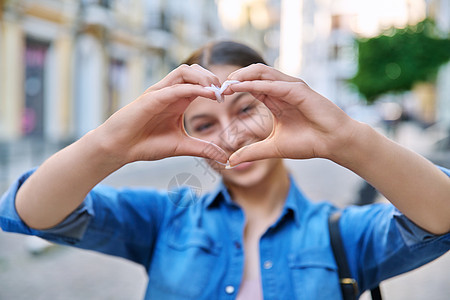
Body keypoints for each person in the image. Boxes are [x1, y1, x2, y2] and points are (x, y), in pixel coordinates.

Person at [1, 41, 449, 300]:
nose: (231, 134)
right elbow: (31, 213)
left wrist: (347, 140)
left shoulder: (344, 236)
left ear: (279, 110)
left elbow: (441, 219)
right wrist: (110, 145)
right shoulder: (163, 220)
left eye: (247, 109)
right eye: (204, 123)